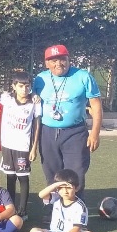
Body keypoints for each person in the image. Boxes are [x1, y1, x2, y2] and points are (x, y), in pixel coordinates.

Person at [33, 44, 102, 201]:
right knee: (51, 174)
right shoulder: (40, 79)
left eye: (62, 59)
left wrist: (95, 133)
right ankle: (54, 209)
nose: (59, 64)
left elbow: (96, 105)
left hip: (75, 133)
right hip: (47, 133)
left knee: (76, 174)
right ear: (46, 63)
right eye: (53, 61)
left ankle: (77, 210)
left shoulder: (83, 76)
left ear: (68, 59)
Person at [0, 71, 41, 219]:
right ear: (14, 86)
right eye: (21, 86)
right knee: (10, 177)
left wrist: (34, 148)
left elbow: (37, 126)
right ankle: (11, 208)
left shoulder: (35, 103)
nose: (24, 89)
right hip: (7, 145)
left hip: (23, 146)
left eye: (27, 86)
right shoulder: (6, 99)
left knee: (23, 178)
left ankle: (23, 211)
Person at [29, 169, 95, 232]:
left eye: (68, 188)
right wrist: (56, 184)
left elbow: (76, 229)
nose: (65, 191)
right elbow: (41, 195)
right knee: (34, 231)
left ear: (77, 188)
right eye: (61, 188)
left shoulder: (80, 207)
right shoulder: (57, 198)